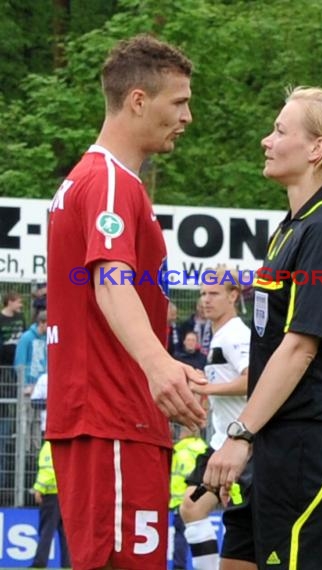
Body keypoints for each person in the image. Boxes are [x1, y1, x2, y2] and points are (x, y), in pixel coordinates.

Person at [46, 34, 206, 570]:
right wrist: (159, 364)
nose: (187, 115)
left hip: (110, 416)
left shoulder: (95, 180)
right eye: (178, 102)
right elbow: (109, 280)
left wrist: (164, 367)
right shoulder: (111, 182)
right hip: (111, 418)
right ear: (138, 100)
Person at [204, 86, 322, 570]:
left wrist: (239, 434)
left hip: (311, 444)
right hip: (273, 442)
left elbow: (300, 348)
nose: (266, 140)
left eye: (279, 130)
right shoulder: (292, 228)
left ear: (317, 148)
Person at [180, 267, 254, 570]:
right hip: (221, 442)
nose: (205, 300)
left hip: (243, 446)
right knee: (191, 507)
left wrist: (206, 387)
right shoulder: (219, 335)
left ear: (233, 296)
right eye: (202, 294)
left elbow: (254, 380)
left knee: (254, 531)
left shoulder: (235, 334)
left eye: (213, 293)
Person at [169, 426, 208, 570]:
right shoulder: (204, 448)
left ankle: (179, 567)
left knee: (180, 537)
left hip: (181, 501)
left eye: (182, 431)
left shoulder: (179, 450)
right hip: (204, 501)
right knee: (200, 534)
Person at [0, 290, 25, 494]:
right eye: (18, 301)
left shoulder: (20, 318)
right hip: (4, 367)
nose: (21, 305)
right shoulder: (1, 318)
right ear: (9, 301)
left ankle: (14, 422)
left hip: (18, 368)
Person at [31, 440, 70, 568]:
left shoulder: (49, 446)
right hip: (66, 494)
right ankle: (68, 563)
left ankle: (39, 563)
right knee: (66, 533)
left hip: (51, 494)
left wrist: (39, 489)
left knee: (46, 531)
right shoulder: (66, 445)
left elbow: (48, 471)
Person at [14, 310, 47, 392]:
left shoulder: (48, 338)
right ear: (41, 323)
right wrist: (24, 385)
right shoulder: (26, 337)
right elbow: (20, 361)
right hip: (29, 384)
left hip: (44, 383)